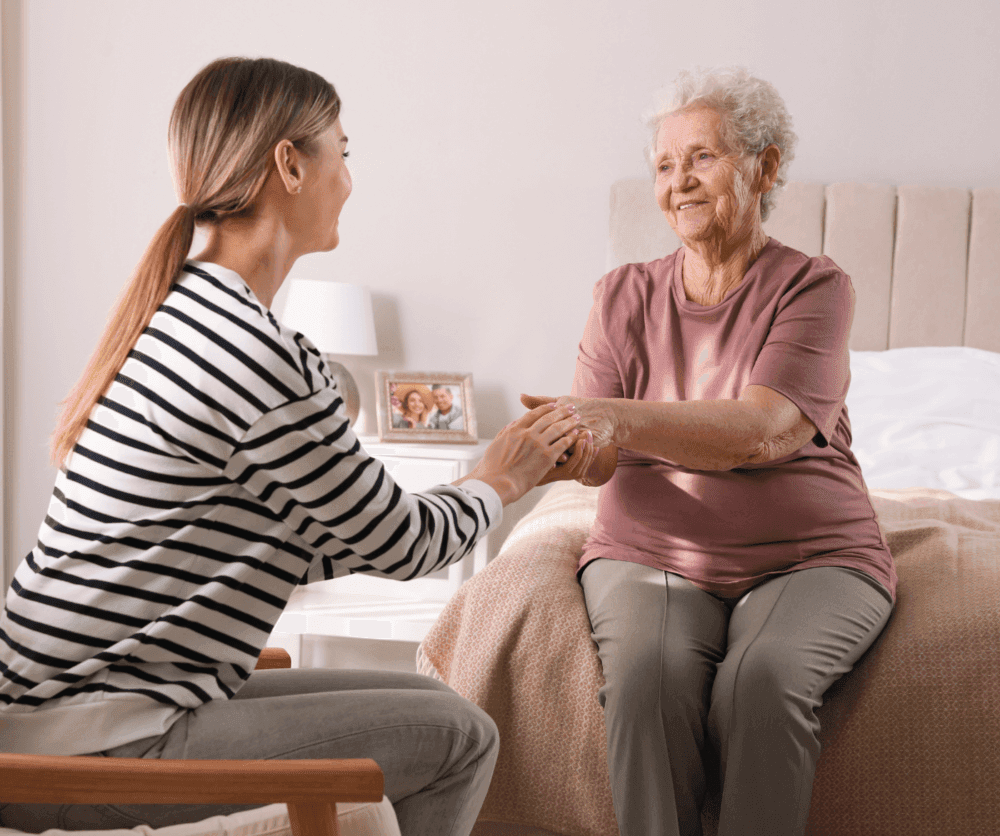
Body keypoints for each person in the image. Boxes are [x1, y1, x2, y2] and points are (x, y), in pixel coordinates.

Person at [0, 57, 591, 836]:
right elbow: (405, 543)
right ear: (290, 162)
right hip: (88, 742)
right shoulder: (248, 347)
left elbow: (263, 544)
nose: (349, 177)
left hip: (66, 716)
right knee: (460, 738)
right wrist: (498, 480)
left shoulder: (183, 310)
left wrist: (426, 497)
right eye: (343, 151)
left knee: (440, 705)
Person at [521, 67, 897, 836]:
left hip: (811, 554)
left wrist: (612, 417)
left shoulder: (813, 288)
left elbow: (764, 428)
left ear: (765, 166)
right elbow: (596, 457)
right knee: (644, 682)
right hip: (648, 550)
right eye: (664, 164)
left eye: (703, 157)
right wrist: (565, 444)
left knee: (762, 681)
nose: (678, 181)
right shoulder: (621, 294)